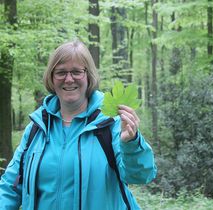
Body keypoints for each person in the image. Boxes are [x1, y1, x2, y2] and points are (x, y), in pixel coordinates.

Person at [0, 40, 157, 210]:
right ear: (52, 78)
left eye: (76, 72)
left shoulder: (110, 126)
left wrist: (131, 143)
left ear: (88, 76)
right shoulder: (37, 129)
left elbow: (141, 175)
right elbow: (10, 187)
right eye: (60, 72)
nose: (68, 79)